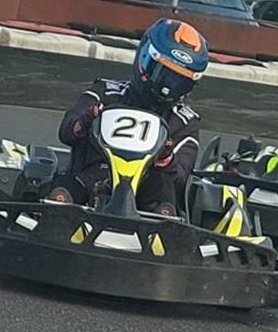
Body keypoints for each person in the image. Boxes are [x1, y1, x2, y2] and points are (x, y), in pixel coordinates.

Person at [48, 18, 208, 216]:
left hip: (149, 189)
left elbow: (181, 179)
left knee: (164, 197)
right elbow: (67, 132)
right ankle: (56, 217)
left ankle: (163, 225)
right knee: (63, 192)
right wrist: (87, 120)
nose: (166, 88)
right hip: (96, 175)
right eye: (162, 74)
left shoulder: (184, 122)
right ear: (143, 59)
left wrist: (166, 159)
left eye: (178, 82)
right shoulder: (105, 93)